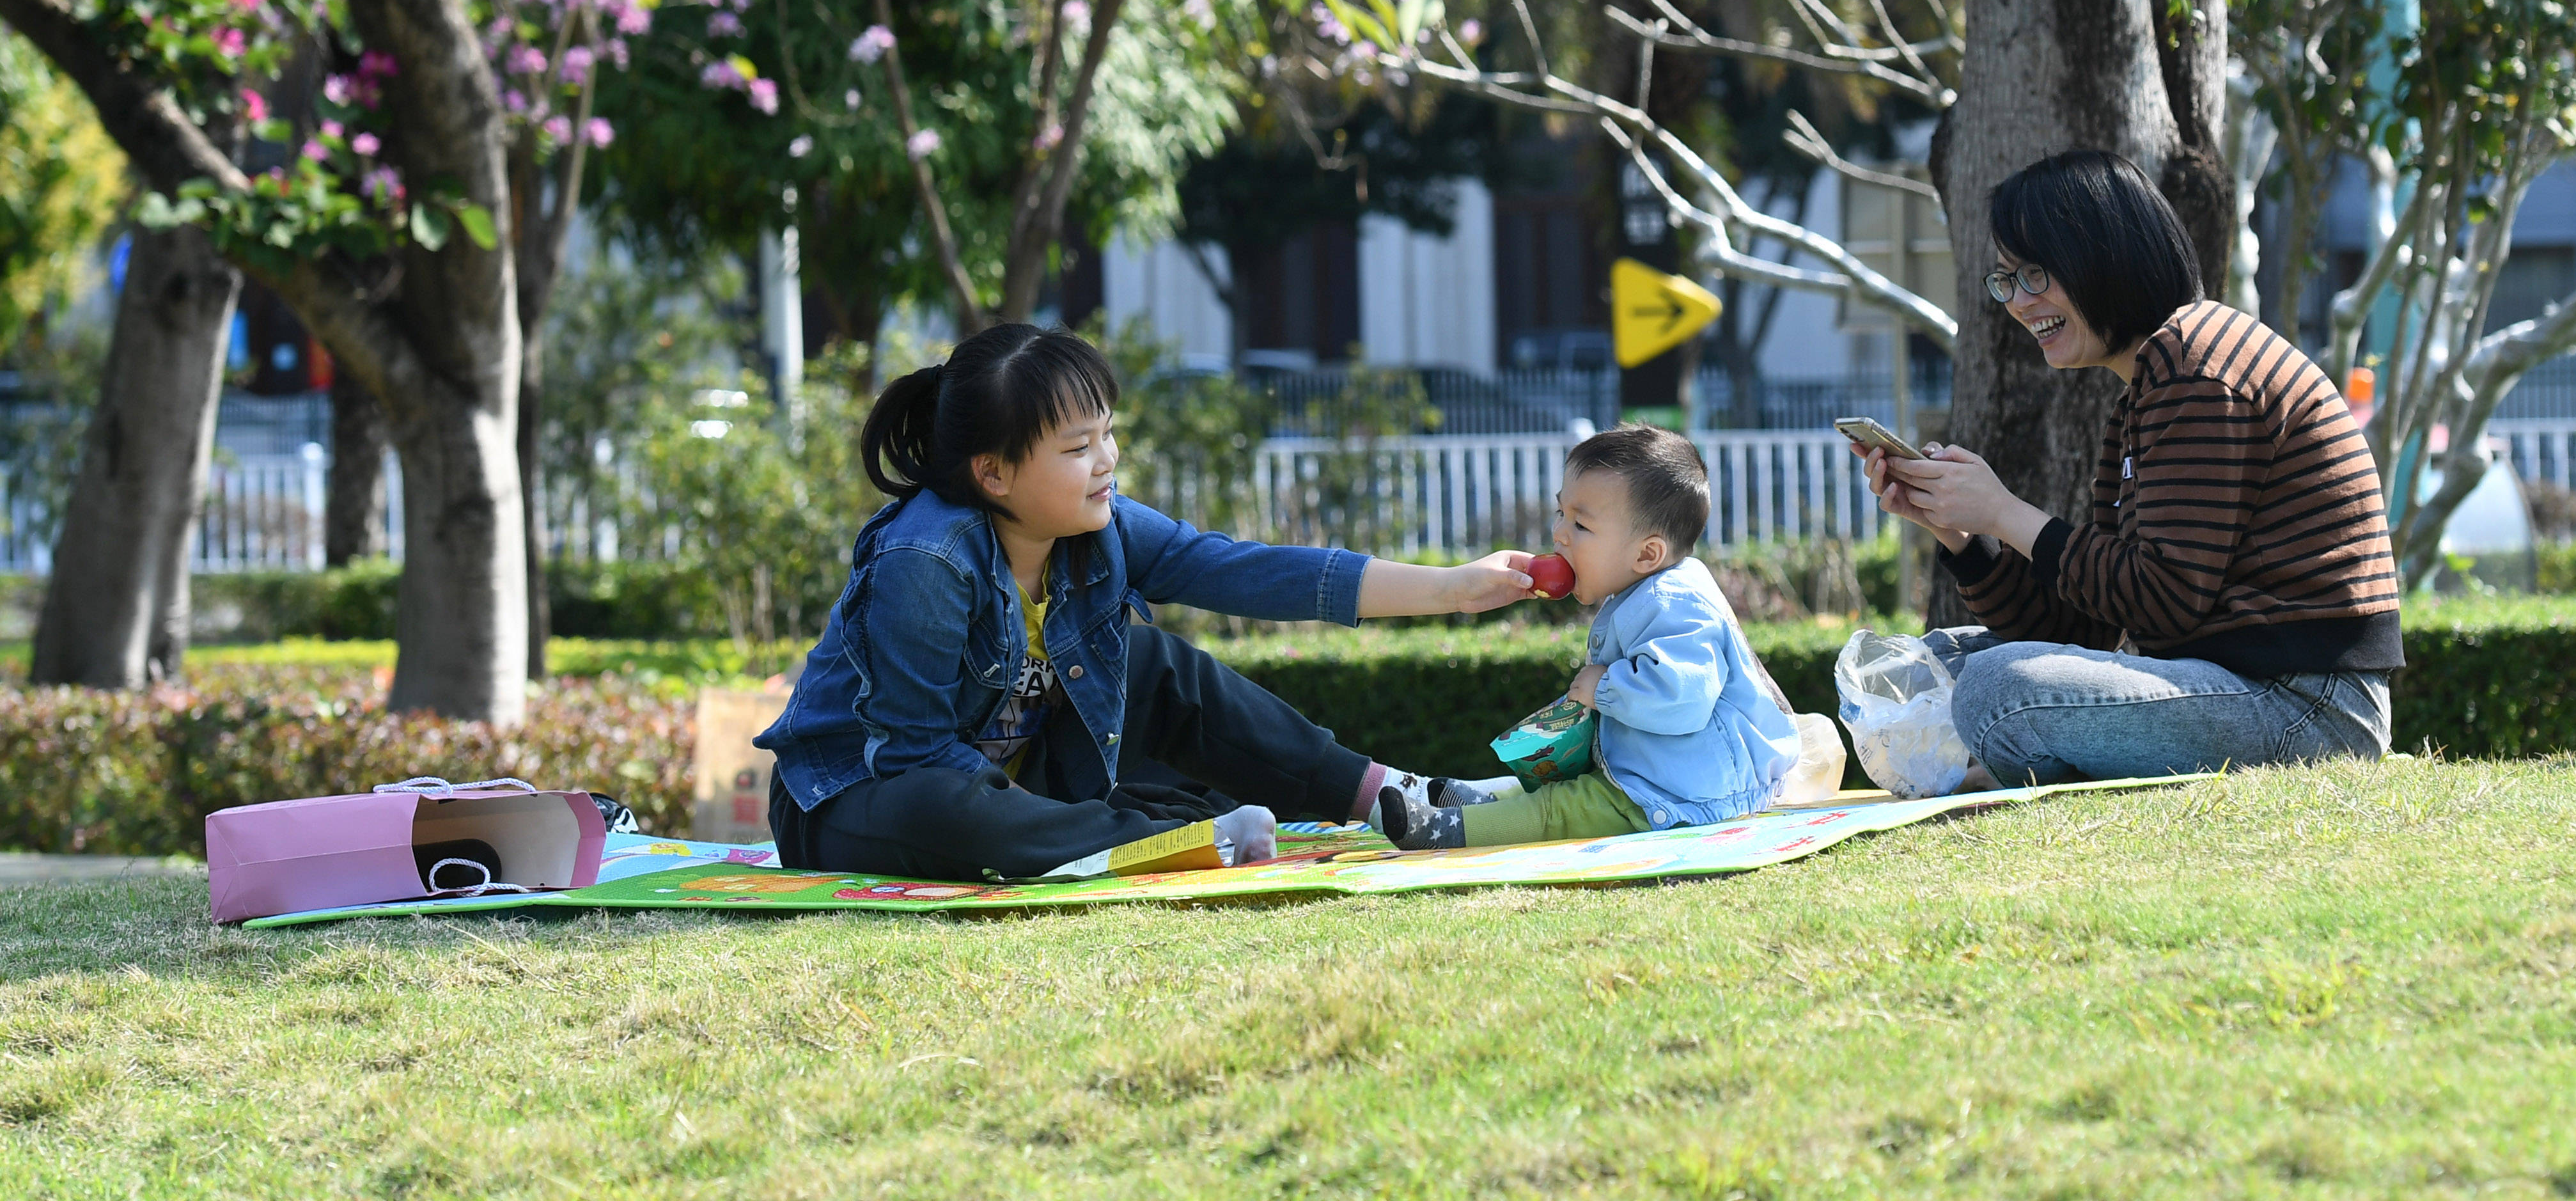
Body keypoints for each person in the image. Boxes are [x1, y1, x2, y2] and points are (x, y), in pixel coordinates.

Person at [760, 322, 1537, 879]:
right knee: (949, 806)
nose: (1106, 462)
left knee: (1146, 657)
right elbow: (912, 755)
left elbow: (1246, 571)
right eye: (1076, 448)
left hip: (1015, 797)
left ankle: (1389, 796)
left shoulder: (1101, 529)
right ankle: (1175, 834)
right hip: (855, 802)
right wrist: (1047, 815)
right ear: (993, 473)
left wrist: (1454, 586)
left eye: (1106, 434)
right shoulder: (925, 559)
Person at [1849, 150, 2400, 782]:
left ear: (2103, 253)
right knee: (1942, 658)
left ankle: (1996, 766)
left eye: (2035, 273)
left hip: (2309, 708)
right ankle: (2006, 759)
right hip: (2237, 688)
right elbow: (2086, 630)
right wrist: (1961, 532)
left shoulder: (2195, 365)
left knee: (1994, 685)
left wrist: (2003, 511)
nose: (2020, 302)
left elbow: (2164, 600)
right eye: (2006, 280)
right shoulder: (2147, 389)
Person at [1377, 425, 1801, 849]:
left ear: (1646, 554)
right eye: (1561, 513)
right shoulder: (1643, 589)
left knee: (1558, 811)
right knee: (1561, 793)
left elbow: (1682, 698)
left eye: (1581, 524)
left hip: (1685, 796)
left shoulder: (1676, 602)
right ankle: (1469, 800)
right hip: (1653, 777)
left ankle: (1444, 831)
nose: (1560, 533)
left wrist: (1607, 689)